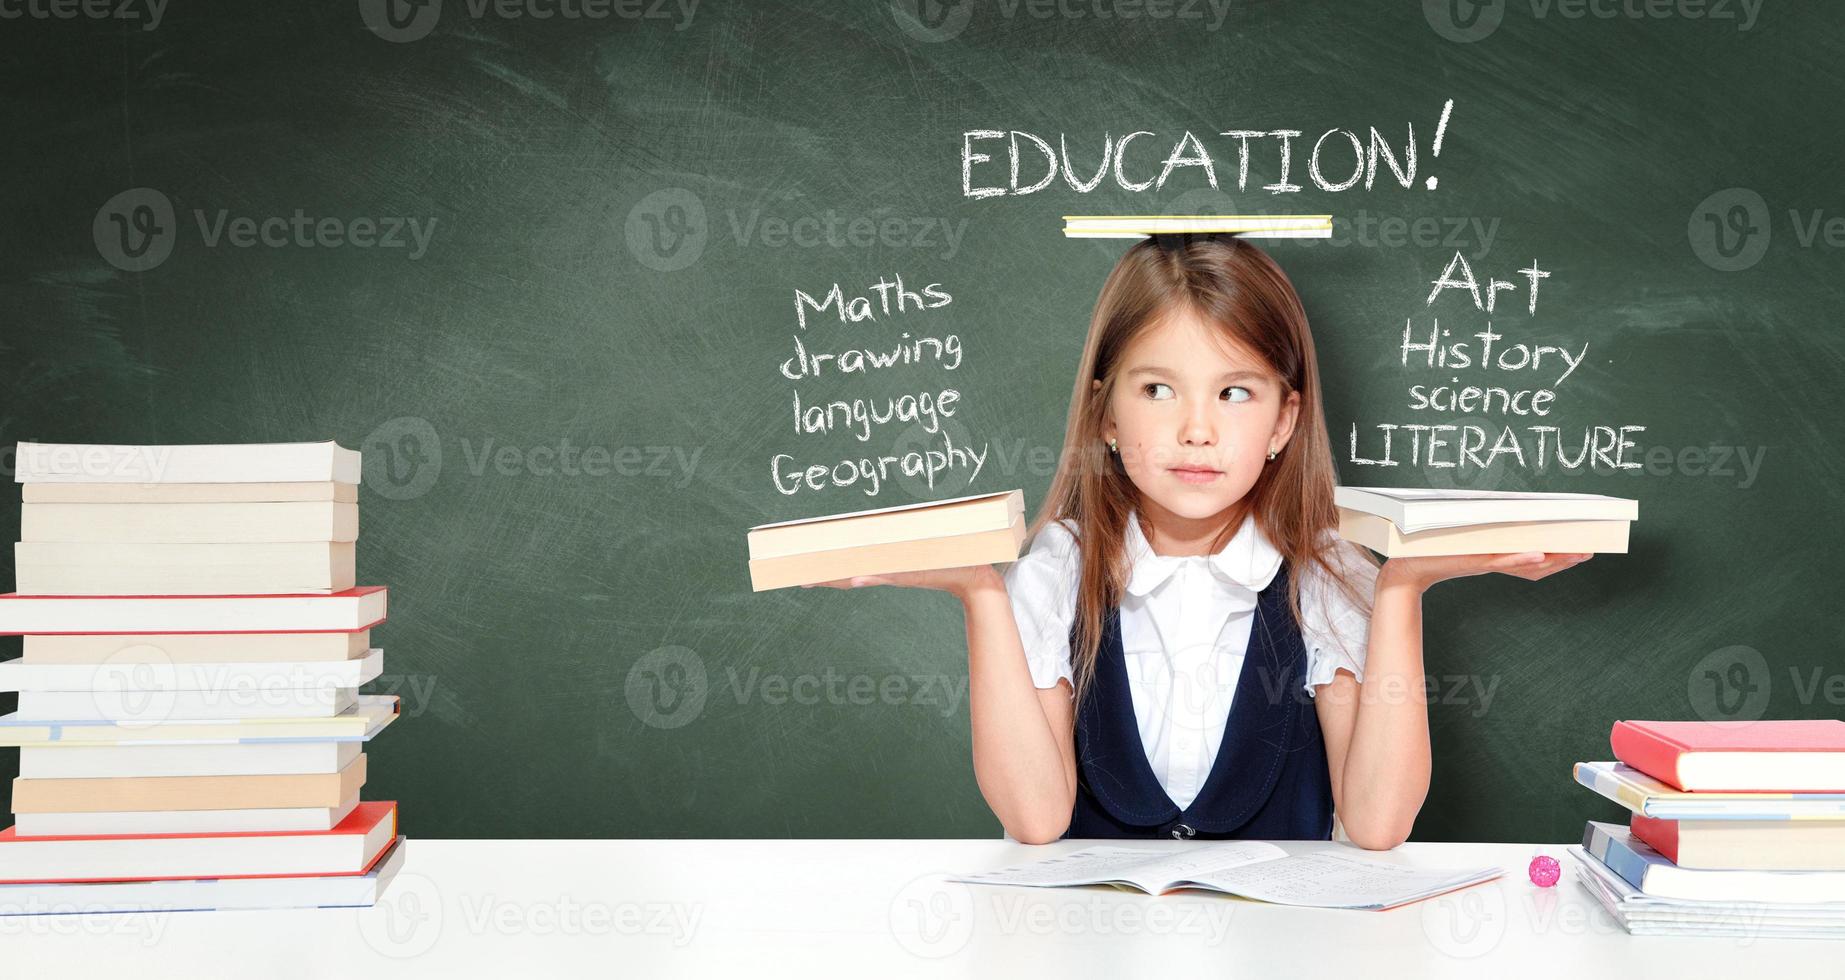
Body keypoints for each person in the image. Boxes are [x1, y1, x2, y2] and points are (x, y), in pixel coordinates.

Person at [810, 235, 1588, 847]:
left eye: (1234, 392)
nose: (1195, 430)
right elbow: (1035, 819)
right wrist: (979, 591)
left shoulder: (1325, 573)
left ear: (1283, 420)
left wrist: (1402, 585)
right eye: (1156, 389)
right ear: (1105, 415)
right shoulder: (1058, 571)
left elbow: (1379, 824)